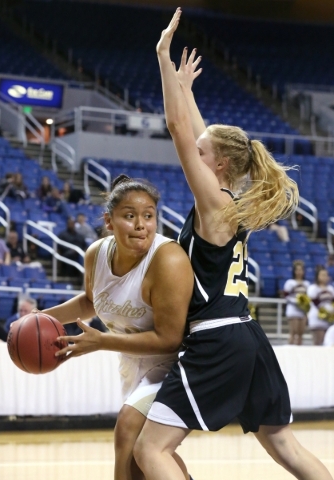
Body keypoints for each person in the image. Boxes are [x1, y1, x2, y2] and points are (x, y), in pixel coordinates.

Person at [132, 9, 333, 480]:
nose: (194, 160)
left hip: (217, 338)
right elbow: (200, 135)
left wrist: (162, 58)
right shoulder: (228, 197)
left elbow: (182, 132)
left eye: (204, 157)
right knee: (284, 444)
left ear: (217, 165)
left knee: (151, 450)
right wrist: (186, 90)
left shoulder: (214, 203)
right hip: (247, 334)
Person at [16, 175, 194, 480]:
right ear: (109, 221)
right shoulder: (96, 254)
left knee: (128, 431)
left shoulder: (168, 259)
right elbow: (91, 301)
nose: (141, 225)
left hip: (179, 365)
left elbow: (169, 340)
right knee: (146, 455)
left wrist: (102, 341)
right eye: (129, 216)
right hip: (134, 364)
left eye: (149, 216)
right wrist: (40, 318)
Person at [283, 260, 310, 345]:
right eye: (297, 270)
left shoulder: (307, 283)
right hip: (293, 309)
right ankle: (290, 350)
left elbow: (308, 298)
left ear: (303, 271)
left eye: (301, 270)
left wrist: (304, 305)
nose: (299, 272)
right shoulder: (290, 283)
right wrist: (297, 301)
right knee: (293, 332)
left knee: (301, 334)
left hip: (302, 310)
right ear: (294, 271)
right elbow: (286, 296)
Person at [307, 266, 333, 346]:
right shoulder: (313, 288)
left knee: (327, 343)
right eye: (322, 275)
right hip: (317, 318)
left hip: (329, 319)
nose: (324, 277)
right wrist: (325, 312)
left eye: (326, 275)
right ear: (317, 276)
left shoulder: (331, 289)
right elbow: (316, 303)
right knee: (318, 343)